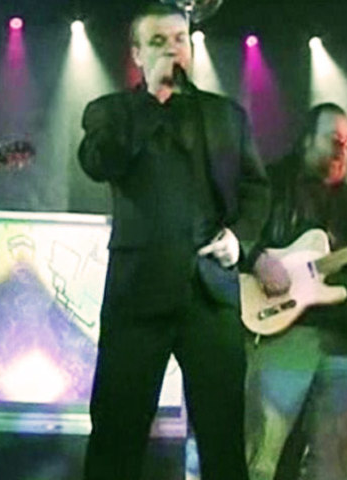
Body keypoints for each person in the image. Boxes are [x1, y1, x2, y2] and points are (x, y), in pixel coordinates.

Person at [78, 4, 270, 479]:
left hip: (210, 292)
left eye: (179, 39)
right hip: (138, 292)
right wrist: (151, 101)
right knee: (116, 435)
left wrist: (239, 239)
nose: (172, 50)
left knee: (223, 439)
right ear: (137, 53)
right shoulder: (112, 112)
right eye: (158, 42)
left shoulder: (226, 115)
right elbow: (98, 163)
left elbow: (256, 189)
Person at [245, 102, 347, 480]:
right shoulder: (269, 187)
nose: (343, 151)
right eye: (334, 140)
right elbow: (235, 237)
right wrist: (258, 260)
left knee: (332, 466)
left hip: (343, 346)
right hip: (282, 336)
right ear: (307, 139)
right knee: (258, 458)